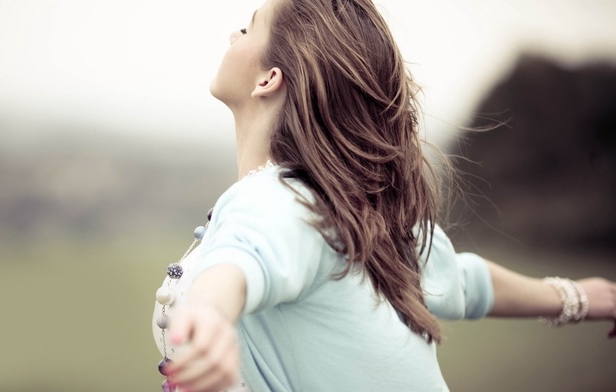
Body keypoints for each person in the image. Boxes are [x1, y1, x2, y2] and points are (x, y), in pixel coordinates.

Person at [151, 0, 616, 391]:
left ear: (268, 78)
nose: (233, 34)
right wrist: (576, 295)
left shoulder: (273, 199)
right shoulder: (357, 212)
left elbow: (242, 260)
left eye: (249, 26)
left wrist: (210, 315)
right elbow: (464, 280)